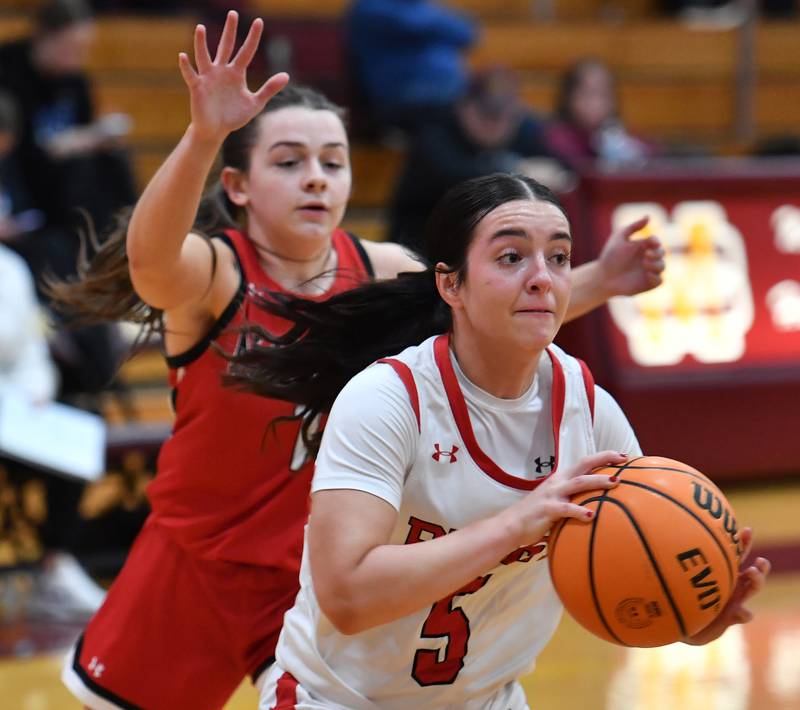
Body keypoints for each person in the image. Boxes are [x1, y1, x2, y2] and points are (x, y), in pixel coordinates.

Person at [52, 12, 664, 709]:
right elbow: (149, 261)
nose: (316, 179)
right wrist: (201, 135)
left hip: (308, 571)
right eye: (289, 162)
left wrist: (602, 280)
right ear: (239, 186)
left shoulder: (380, 269)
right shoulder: (217, 275)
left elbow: (490, 308)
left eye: (333, 163)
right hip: (196, 567)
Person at [225, 172, 771, 709]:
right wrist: (517, 524)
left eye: (558, 257)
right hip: (338, 698)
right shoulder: (388, 400)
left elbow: (626, 567)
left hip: (486, 700)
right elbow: (347, 596)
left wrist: (684, 615)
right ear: (450, 284)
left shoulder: (588, 408)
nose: (543, 278)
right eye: (512, 258)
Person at [388, 67, 569, 253]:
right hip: (420, 250)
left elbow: (564, 165)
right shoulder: (436, 130)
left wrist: (559, 174)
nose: (495, 124)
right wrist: (517, 169)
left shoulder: (522, 130)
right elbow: (453, 175)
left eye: (503, 116)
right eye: (486, 114)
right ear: (463, 108)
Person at [545, 58, 657, 172]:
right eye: (586, 94)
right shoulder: (556, 137)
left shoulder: (618, 136)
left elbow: (653, 154)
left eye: (603, 95)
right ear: (568, 97)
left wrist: (632, 152)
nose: (595, 103)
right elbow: (577, 166)